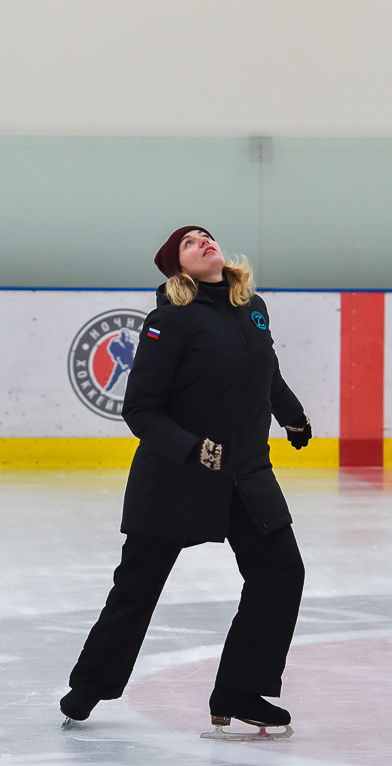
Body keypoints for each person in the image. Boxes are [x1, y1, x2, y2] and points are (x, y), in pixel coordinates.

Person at [61, 226, 312, 739]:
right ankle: (89, 686)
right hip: (177, 475)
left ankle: (239, 690)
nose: (204, 242)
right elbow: (140, 410)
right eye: (189, 243)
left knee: (282, 572)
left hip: (246, 473)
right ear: (177, 267)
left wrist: (293, 416)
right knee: (137, 589)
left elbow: (267, 373)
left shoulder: (253, 307)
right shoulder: (169, 320)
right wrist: (192, 448)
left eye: (207, 236)